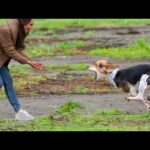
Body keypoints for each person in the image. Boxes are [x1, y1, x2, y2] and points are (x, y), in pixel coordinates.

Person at [0, 19, 45, 120]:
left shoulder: (21, 30)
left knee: (8, 82)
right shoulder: (5, 30)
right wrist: (28, 62)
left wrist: (31, 61)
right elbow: (10, 51)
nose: (31, 27)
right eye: (30, 24)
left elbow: (17, 49)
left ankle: (19, 112)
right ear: (24, 22)